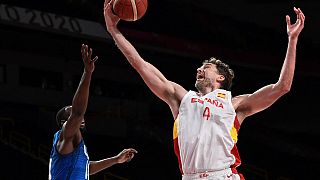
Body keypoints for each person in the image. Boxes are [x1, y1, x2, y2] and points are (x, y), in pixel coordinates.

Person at [104, 0, 305, 179]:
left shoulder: (235, 103)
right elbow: (140, 64)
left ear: (220, 77)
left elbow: (282, 87)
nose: (199, 69)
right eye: (200, 67)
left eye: (206, 67)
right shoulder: (181, 98)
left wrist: (292, 40)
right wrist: (114, 31)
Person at [49, 44, 137, 180]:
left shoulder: (73, 149)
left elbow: (86, 169)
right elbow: (78, 112)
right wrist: (87, 73)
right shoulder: (63, 138)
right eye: (70, 112)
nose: (79, 114)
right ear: (63, 122)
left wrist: (116, 159)